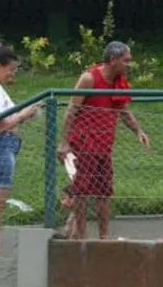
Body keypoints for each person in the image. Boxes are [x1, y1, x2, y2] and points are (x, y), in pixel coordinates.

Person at [59, 41, 150, 241]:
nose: (129, 65)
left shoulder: (118, 82)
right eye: (126, 60)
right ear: (112, 59)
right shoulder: (89, 79)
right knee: (81, 191)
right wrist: (64, 143)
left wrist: (138, 131)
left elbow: (123, 110)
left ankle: (104, 236)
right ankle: (81, 237)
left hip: (104, 146)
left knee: (104, 192)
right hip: (83, 144)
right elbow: (71, 110)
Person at [0, 41, 39, 259]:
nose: (12, 74)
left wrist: (23, 113)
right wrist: (24, 115)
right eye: (11, 69)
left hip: (3, 146)